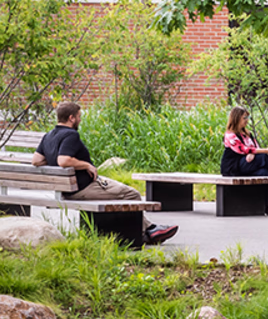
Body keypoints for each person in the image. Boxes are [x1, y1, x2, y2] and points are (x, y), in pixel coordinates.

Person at [32, 102, 178, 244]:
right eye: (79, 116)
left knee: (118, 187)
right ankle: (143, 234)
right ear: (71, 118)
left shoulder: (48, 136)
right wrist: (86, 165)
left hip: (69, 188)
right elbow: (63, 160)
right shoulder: (71, 135)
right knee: (132, 194)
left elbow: (36, 160)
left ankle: (150, 229)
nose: (80, 120)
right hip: (83, 188)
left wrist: (54, 162)